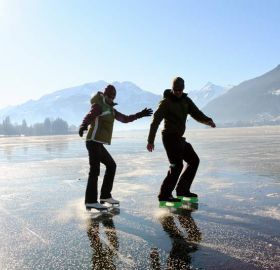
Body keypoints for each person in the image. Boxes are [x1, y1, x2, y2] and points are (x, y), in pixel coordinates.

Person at [79, 84, 153, 210]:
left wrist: (140, 114)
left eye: (113, 97)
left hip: (98, 143)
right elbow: (90, 115)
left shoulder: (111, 110)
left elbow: (125, 119)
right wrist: (83, 125)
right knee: (95, 171)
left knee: (111, 165)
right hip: (92, 141)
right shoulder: (99, 105)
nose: (111, 99)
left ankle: (105, 196)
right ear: (105, 95)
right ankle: (91, 201)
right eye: (109, 96)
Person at [147, 77, 216, 204]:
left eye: (180, 89)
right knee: (177, 166)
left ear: (183, 89)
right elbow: (155, 121)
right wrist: (150, 140)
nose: (178, 92)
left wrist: (207, 120)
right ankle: (164, 195)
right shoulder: (166, 102)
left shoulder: (186, 100)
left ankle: (183, 190)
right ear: (172, 88)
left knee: (194, 160)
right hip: (169, 138)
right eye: (176, 89)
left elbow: (196, 113)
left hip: (179, 138)